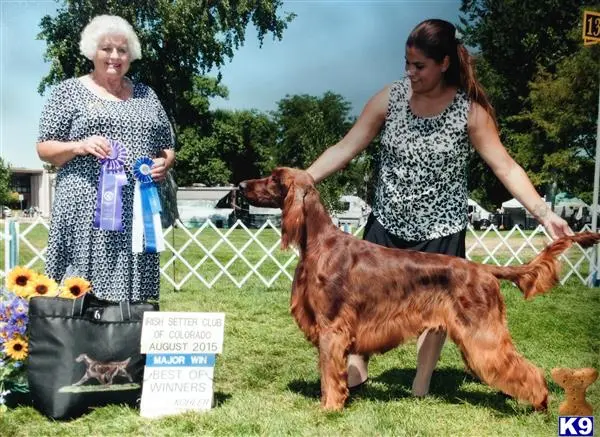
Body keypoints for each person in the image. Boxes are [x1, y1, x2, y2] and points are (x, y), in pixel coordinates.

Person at [306, 18, 573, 397]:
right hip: (388, 224)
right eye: (407, 64)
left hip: (441, 228)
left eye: (419, 66)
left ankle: (421, 383)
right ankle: (354, 375)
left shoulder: (471, 112)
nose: (410, 72)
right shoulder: (390, 98)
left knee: (437, 313)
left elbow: (505, 166)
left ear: (444, 63)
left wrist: (544, 214)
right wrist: (306, 177)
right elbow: (346, 147)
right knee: (362, 304)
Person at [36, 15, 175, 302]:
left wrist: (164, 163)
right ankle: (74, 336)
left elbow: (166, 145)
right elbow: (44, 148)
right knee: (80, 281)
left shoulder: (147, 95)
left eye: (122, 50)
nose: (114, 56)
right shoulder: (68, 92)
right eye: (106, 49)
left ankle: (125, 336)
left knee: (133, 281)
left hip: (136, 208)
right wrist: (79, 146)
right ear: (91, 52)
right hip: (84, 205)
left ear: (131, 56)